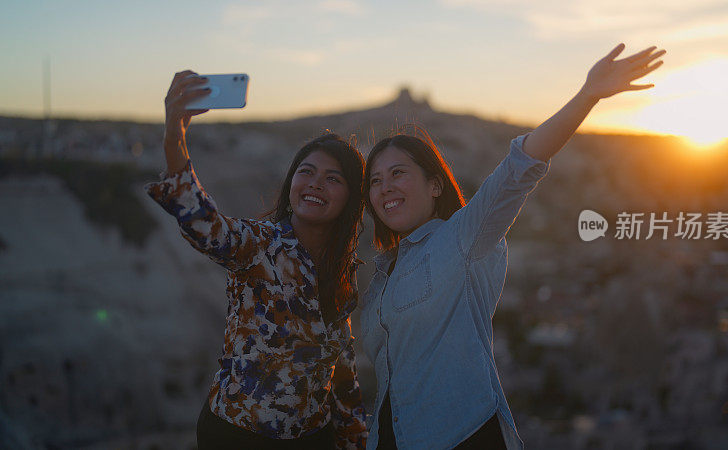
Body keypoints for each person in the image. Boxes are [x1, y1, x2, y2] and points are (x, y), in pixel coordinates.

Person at [358, 43, 666, 449]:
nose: (386, 188)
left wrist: (587, 95)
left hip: (461, 438)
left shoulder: (463, 238)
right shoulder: (382, 273)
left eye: (398, 173)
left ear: (435, 185)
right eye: (376, 181)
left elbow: (519, 168)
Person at [145, 70, 369, 449]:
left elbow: (342, 368)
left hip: (311, 439)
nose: (315, 183)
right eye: (306, 171)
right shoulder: (258, 244)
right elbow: (203, 223)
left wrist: (354, 438)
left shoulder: (342, 268)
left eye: (333, 178)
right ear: (291, 183)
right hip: (237, 435)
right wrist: (174, 135)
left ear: (350, 198)